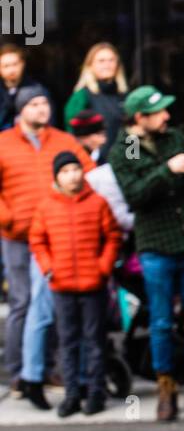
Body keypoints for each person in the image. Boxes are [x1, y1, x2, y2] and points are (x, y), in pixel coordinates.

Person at [109, 85, 184, 422]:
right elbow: (135, 195)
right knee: (161, 322)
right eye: (159, 112)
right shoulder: (127, 146)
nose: (167, 116)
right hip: (155, 246)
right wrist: (168, 170)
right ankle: (166, 389)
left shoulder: (174, 136)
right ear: (140, 118)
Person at [0, 86, 93, 406]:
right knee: (22, 302)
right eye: (35, 104)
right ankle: (18, 373)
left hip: (57, 236)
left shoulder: (64, 141)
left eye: (45, 103)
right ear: (21, 109)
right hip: (17, 236)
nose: (42, 109)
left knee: (53, 304)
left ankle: (50, 368)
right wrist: (6, 217)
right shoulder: (4, 142)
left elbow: (89, 176)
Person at [29, 151, 122, 417]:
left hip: (93, 285)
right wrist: (48, 268)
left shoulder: (98, 203)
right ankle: (71, 394)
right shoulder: (47, 206)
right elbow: (38, 240)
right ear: (56, 176)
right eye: (65, 171)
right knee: (67, 342)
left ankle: (95, 392)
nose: (72, 175)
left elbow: (113, 236)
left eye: (75, 169)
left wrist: (103, 267)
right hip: (62, 285)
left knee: (94, 340)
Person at [64, 42, 129, 151]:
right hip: (97, 163)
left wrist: (134, 160)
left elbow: (133, 132)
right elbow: (73, 136)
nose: (107, 65)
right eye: (101, 61)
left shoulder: (125, 96)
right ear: (90, 65)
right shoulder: (81, 96)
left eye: (111, 60)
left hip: (124, 162)